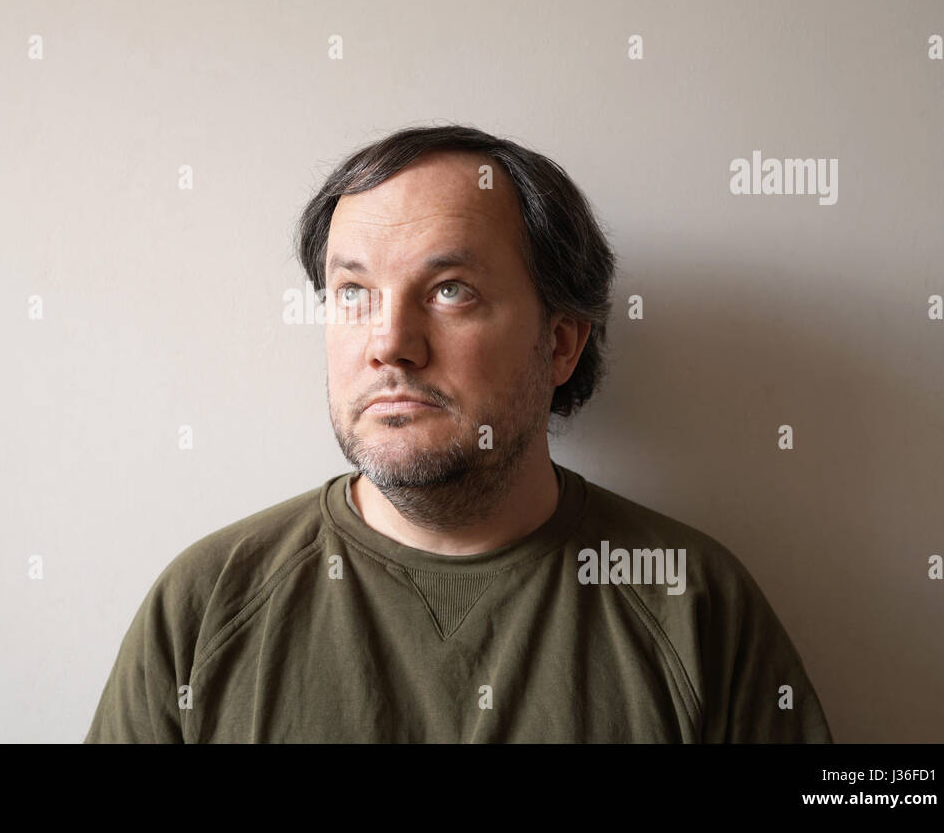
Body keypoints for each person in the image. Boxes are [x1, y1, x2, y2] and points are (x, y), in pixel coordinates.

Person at [84, 124, 833, 743]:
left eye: (450, 291)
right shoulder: (205, 606)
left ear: (560, 344)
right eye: (354, 292)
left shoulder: (692, 604)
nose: (389, 343)